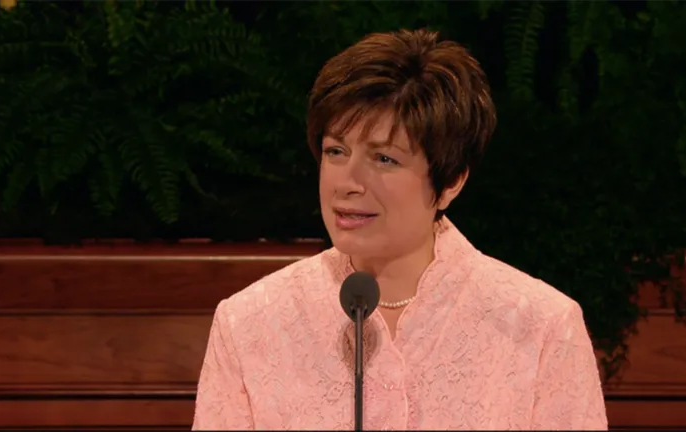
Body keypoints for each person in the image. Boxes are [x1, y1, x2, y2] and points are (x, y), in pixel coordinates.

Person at [192, 28, 608, 431]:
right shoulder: (249, 324)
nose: (347, 183)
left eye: (384, 159)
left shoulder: (542, 328)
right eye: (336, 151)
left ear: (451, 182)